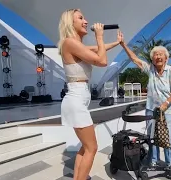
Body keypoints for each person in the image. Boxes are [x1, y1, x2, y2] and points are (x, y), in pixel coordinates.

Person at [57, 9, 123, 180]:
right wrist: (99, 36)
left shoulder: (76, 45)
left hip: (78, 101)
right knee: (92, 148)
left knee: (85, 147)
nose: (86, 21)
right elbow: (102, 60)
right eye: (81, 18)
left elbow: (99, 49)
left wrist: (116, 43)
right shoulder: (69, 43)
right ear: (70, 24)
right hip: (76, 101)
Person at [119, 36, 171, 167]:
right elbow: (134, 59)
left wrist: (166, 104)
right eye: (155, 55)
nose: (158, 57)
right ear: (152, 59)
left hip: (166, 111)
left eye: (160, 55)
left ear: (166, 58)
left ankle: (170, 164)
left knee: (168, 138)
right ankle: (153, 160)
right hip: (151, 109)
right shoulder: (150, 70)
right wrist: (123, 45)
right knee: (152, 137)